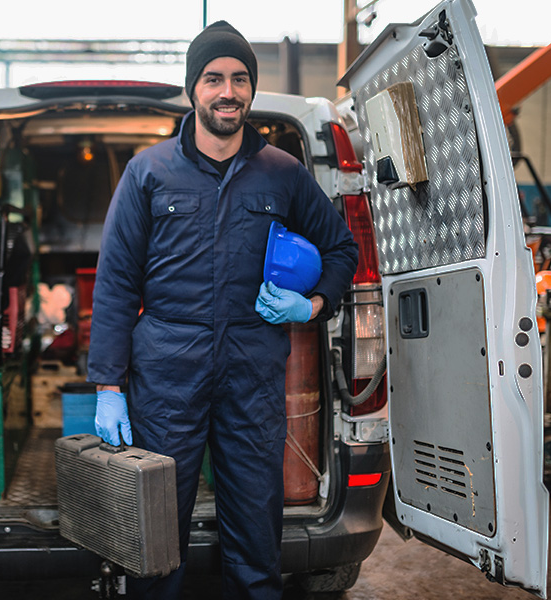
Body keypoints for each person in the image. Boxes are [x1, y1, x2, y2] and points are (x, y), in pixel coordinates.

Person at [87, 21, 359, 599]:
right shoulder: (149, 172)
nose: (227, 91)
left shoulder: (283, 172)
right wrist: (109, 385)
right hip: (166, 371)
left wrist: (311, 305)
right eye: (213, 78)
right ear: (193, 89)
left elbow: (342, 249)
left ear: (251, 92)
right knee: (155, 529)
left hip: (252, 369)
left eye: (239, 79)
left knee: (257, 530)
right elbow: (114, 284)